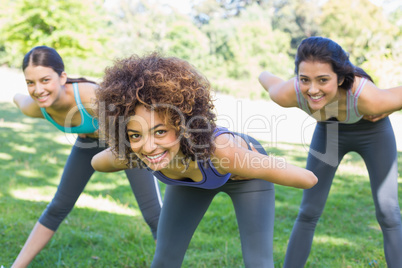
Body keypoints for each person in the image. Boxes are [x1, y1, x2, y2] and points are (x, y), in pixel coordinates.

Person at [91, 52, 318, 267]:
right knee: (164, 261)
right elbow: (97, 163)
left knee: (258, 263)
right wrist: (131, 151)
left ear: (182, 126)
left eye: (160, 131)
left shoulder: (223, 153)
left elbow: (307, 179)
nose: (149, 146)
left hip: (244, 174)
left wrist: (260, 162)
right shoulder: (138, 150)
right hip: (190, 178)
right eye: (135, 134)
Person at [12, 46, 162, 268]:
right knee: (58, 206)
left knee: (153, 214)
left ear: (62, 77)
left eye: (45, 80)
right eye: (30, 82)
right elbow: (18, 99)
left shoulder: (91, 97)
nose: (38, 89)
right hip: (88, 142)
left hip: (124, 140)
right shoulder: (35, 107)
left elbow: (135, 117)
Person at [258, 36, 402, 267]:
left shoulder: (369, 98)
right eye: (304, 79)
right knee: (308, 211)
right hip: (329, 132)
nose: (312, 89)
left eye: (323, 80)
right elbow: (267, 80)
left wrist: (390, 106)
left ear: (341, 78)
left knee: (388, 212)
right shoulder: (289, 93)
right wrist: (262, 72)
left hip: (372, 131)